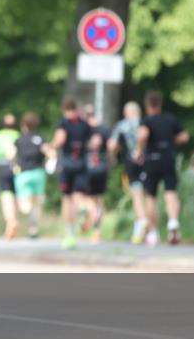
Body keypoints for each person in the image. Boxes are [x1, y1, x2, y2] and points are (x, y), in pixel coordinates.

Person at [134, 91, 190, 245]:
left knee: (150, 197)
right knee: (170, 192)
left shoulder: (147, 121)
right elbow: (184, 136)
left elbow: (142, 136)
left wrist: (138, 151)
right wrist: (171, 140)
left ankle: (153, 232)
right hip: (168, 159)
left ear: (147, 105)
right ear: (159, 104)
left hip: (152, 160)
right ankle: (173, 222)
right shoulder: (170, 119)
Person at [51, 96, 93, 249]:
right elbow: (92, 142)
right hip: (82, 163)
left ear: (63, 109)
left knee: (67, 198)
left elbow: (60, 140)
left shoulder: (63, 123)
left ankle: (69, 235)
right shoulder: (84, 124)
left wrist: (52, 147)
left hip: (67, 163)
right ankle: (83, 207)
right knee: (78, 196)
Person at [7, 112, 52, 239]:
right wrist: (49, 164)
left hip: (23, 174)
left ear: (24, 125)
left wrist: (14, 165)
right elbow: (50, 153)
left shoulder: (19, 140)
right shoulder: (40, 139)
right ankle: (34, 228)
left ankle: (28, 218)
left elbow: (10, 155)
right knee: (37, 203)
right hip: (38, 173)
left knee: (24, 205)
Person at [109, 102, 147, 244]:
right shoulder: (145, 123)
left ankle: (141, 222)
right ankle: (149, 233)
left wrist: (113, 156)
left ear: (126, 112)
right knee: (149, 197)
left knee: (137, 196)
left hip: (131, 162)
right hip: (149, 162)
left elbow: (112, 145)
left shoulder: (122, 125)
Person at [82, 104, 111, 244]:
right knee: (98, 198)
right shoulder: (104, 129)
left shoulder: (83, 129)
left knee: (84, 197)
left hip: (87, 166)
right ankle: (97, 232)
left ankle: (91, 213)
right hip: (103, 165)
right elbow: (111, 146)